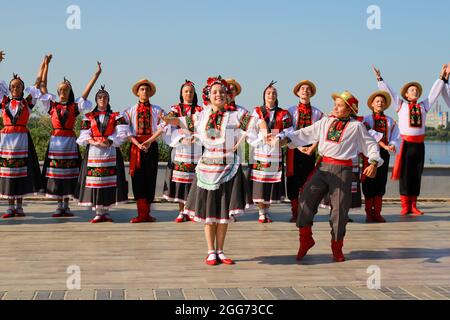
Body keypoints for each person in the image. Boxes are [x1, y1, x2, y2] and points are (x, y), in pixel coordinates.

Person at [278, 91, 383, 262]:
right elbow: (305, 133)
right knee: (305, 200)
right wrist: (284, 140)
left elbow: (370, 145)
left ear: (349, 110)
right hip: (322, 167)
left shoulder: (356, 126)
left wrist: (372, 162)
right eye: (335, 103)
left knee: (340, 211)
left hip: (342, 170)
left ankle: (337, 246)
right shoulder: (326, 121)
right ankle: (306, 239)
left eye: (339, 105)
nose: (335, 107)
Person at [165, 76, 259, 266]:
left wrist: (261, 134)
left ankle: (221, 250)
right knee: (210, 212)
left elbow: (256, 123)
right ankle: (210, 251)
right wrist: (167, 119)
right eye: (214, 92)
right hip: (208, 165)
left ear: (227, 96)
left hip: (228, 167)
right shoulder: (201, 115)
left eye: (222, 92)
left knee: (223, 213)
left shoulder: (235, 115)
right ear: (208, 95)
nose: (219, 94)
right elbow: (180, 122)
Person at [373, 65, 446, 215]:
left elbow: (434, 93)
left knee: (416, 174)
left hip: (419, 145)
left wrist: (441, 78)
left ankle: (413, 205)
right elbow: (390, 93)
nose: (415, 91)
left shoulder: (424, 106)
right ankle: (405, 205)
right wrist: (380, 80)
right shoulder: (401, 105)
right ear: (406, 94)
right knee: (405, 174)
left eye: (417, 90)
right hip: (405, 144)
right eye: (412, 90)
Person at [38, 55, 99, 217]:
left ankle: (66, 204)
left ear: (69, 91)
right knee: (57, 174)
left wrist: (96, 75)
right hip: (56, 142)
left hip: (70, 142)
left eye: (65, 90)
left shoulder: (74, 107)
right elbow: (43, 86)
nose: (63, 92)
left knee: (69, 173)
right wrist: (46, 65)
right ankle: (59, 204)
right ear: (58, 92)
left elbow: (86, 92)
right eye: (60, 90)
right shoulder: (52, 105)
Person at [75, 85, 129, 223]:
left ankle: (107, 211)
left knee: (109, 181)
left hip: (110, 151)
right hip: (94, 151)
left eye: (105, 97)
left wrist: (110, 141)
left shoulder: (116, 116)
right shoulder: (89, 117)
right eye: (100, 97)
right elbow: (84, 134)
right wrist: (93, 141)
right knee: (97, 181)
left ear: (108, 99)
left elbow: (122, 133)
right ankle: (99, 212)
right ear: (96, 100)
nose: (102, 99)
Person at [0, 50, 42, 218]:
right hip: (7, 140)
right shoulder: (4, 102)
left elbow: (38, 84)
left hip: (22, 140)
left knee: (22, 173)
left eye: (18, 86)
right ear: (9, 89)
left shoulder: (28, 103)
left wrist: (43, 65)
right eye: (13, 87)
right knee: (9, 173)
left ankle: (19, 206)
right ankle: (10, 207)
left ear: (23, 89)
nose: (16, 88)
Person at [247, 81, 292, 223]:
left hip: (274, 150)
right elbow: (250, 129)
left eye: (273, 93)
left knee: (271, 182)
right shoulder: (257, 111)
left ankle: (267, 210)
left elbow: (289, 130)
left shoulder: (283, 113)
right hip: (260, 149)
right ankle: (261, 211)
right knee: (260, 182)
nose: (271, 95)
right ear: (264, 96)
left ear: (277, 96)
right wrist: (261, 137)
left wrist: (279, 137)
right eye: (268, 93)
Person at [123, 79, 166, 223]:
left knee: (150, 177)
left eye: (147, 90)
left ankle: (147, 213)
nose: (144, 92)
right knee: (137, 179)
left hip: (151, 145)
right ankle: (141, 213)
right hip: (136, 147)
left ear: (150, 93)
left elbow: (163, 127)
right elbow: (125, 130)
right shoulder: (129, 111)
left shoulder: (157, 110)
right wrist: (137, 143)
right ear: (137, 92)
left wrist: (149, 142)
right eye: (142, 89)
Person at [162, 80, 203, 222]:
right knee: (181, 181)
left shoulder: (200, 110)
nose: (188, 94)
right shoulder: (175, 109)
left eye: (191, 91)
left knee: (194, 181)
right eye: (186, 91)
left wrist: (196, 138)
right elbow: (167, 124)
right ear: (181, 93)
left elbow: (205, 127)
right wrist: (180, 139)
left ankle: (192, 210)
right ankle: (181, 211)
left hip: (196, 148)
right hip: (181, 149)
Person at [286, 80, 323, 223]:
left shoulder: (318, 113)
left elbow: (320, 132)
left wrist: (312, 148)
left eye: (308, 89)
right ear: (297, 92)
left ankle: (305, 212)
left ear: (311, 93)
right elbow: (287, 130)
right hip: (294, 149)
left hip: (309, 150)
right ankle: (295, 212)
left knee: (308, 181)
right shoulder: (290, 111)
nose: (305, 91)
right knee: (293, 181)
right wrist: (298, 145)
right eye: (302, 89)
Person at [362, 91, 400, 223]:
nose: (380, 103)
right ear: (372, 104)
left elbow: (395, 137)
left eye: (382, 101)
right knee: (368, 182)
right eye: (377, 101)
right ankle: (368, 213)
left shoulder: (391, 121)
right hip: (368, 153)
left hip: (384, 154)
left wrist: (392, 145)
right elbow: (367, 134)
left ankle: (377, 213)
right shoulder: (365, 119)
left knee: (380, 181)